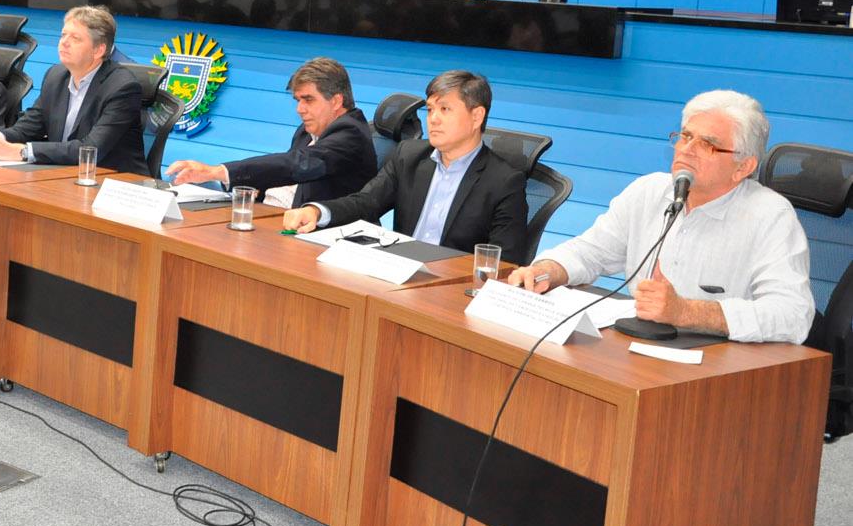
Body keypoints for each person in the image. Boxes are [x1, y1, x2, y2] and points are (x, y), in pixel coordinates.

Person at [507, 90, 814, 344]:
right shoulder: (649, 191)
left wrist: (688, 312)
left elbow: (792, 315)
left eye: (707, 144)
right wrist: (547, 270)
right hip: (642, 346)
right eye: (685, 136)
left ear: (743, 167)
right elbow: (591, 251)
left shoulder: (770, 216)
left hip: (719, 365)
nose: (687, 150)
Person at [282, 70, 528, 262]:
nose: (433, 119)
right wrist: (317, 212)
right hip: (399, 272)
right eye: (430, 109)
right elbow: (366, 202)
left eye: (445, 109)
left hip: (450, 288)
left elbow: (503, 263)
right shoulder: (409, 156)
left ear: (476, 116)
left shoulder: (504, 182)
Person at [165, 57, 377, 209]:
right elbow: (281, 174)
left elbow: (296, 165)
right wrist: (249, 187)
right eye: (298, 100)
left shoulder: (351, 133)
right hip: (269, 214)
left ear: (336, 101)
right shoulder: (308, 130)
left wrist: (217, 171)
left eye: (308, 100)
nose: (300, 109)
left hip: (317, 235)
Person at [0, 5, 145, 173]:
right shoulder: (56, 76)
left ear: (98, 51)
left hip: (113, 180)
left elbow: (91, 149)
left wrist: (22, 152)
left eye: (75, 38)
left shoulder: (122, 87)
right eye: (63, 35)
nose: (64, 42)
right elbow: (28, 128)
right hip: (64, 174)